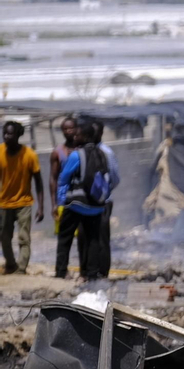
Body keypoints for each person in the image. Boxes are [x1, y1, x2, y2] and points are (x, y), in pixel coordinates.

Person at [56, 118, 119, 281]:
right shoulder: (103, 154)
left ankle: (61, 272)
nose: (75, 137)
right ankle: (92, 274)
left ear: (84, 137)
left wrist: (62, 200)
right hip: (96, 205)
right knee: (93, 239)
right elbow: (111, 179)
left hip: (76, 203)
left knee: (65, 237)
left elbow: (64, 177)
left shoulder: (77, 155)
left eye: (78, 135)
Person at [0, 121, 46, 275]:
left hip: (24, 203)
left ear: (18, 135)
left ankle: (21, 268)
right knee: (4, 237)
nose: (6, 136)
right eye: (4, 133)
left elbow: (38, 182)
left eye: (10, 133)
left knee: (24, 238)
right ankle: (11, 264)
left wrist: (40, 207)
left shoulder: (29, 155)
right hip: (4, 202)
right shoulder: (0, 152)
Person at [48, 116, 79, 237]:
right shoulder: (58, 152)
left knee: (81, 235)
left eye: (71, 128)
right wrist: (53, 203)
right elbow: (53, 178)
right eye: (65, 129)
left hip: (80, 198)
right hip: (63, 198)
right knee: (64, 235)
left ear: (76, 129)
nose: (68, 131)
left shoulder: (82, 150)